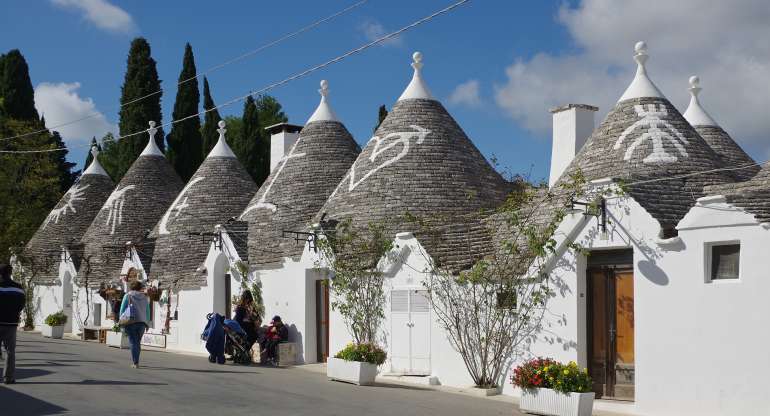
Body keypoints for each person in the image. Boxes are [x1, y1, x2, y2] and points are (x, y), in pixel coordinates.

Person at [0, 264, 25, 384]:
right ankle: (8, 378)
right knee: (10, 351)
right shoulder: (18, 288)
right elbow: (21, 305)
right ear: (10, 273)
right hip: (11, 323)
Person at [119, 280, 151, 369]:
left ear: (131, 287)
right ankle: (136, 360)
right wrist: (147, 323)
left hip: (131, 321)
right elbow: (147, 311)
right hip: (142, 323)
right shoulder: (145, 297)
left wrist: (120, 322)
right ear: (140, 287)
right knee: (137, 342)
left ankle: (135, 362)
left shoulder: (128, 295)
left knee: (133, 342)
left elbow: (122, 309)